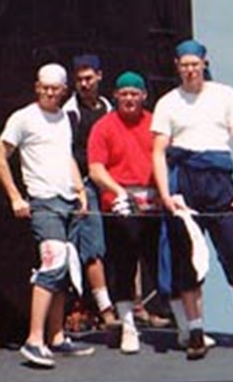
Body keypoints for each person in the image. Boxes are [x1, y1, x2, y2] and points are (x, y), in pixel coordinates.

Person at [151, 39, 233, 357]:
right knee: (187, 262)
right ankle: (195, 331)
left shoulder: (225, 95)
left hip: (220, 181)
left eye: (195, 64)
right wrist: (166, 194)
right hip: (185, 182)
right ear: (177, 67)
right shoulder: (168, 103)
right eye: (185, 65)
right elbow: (158, 151)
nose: (191, 70)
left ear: (204, 63)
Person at [0, 63, 96, 368]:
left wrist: (79, 189)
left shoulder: (64, 119)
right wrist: (15, 197)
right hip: (44, 201)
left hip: (67, 201)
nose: (50, 93)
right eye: (44, 87)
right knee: (53, 264)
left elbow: (66, 157)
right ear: (37, 86)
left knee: (62, 271)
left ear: (64, 91)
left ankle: (57, 336)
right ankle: (34, 340)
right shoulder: (23, 118)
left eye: (55, 89)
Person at [87, 71, 163, 355]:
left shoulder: (156, 123)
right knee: (124, 266)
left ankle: (187, 327)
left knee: (163, 264)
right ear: (116, 96)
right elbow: (96, 169)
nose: (129, 99)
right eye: (124, 94)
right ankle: (128, 328)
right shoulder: (103, 127)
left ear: (143, 95)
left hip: (154, 204)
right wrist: (120, 193)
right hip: (121, 205)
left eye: (135, 93)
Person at [61, 54, 117, 328]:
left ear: (99, 76)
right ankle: (104, 309)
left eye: (89, 78)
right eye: (79, 79)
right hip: (83, 184)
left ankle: (134, 303)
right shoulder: (69, 114)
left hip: (109, 183)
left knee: (124, 241)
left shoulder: (109, 109)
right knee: (91, 246)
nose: (84, 84)